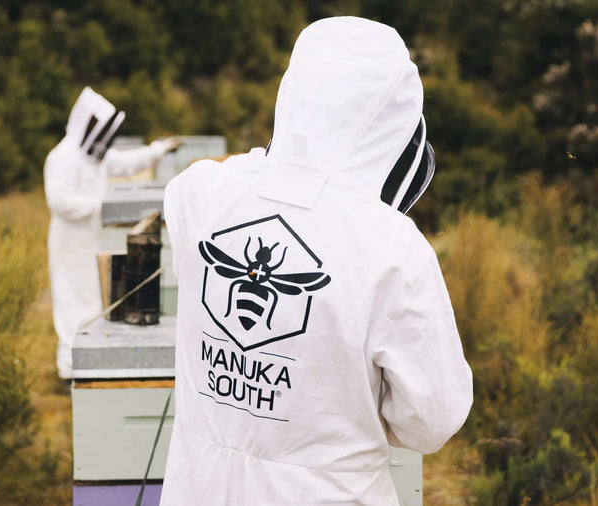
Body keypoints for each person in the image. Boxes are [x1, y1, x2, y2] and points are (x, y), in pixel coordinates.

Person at [160, 17, 472, 505]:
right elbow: (431, 421)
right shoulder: (392, 246)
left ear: (295, 91)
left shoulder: (198, 191)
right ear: (393, 119)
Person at [45, 86, 180, 381]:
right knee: (72, 303)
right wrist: (100, 206)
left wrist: (159, 150)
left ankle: (85, 364)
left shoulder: (96, 158)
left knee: (93, 300)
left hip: (92, 241)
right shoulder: (63, 157)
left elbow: (128, 162)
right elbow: (57, 199)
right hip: (70, 245)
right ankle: (69, 371)